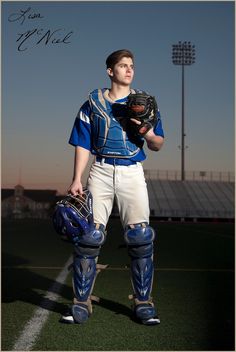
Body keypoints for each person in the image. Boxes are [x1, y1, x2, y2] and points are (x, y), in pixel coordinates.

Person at [61, 49, 164, 325]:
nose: (129, 70)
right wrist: (76, 179)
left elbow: (158, 144)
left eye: (131, 65)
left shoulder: (145, 104)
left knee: (141, 237)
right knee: (89, 236)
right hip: (101, 170)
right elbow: (83, 143)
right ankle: (81, 302)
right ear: (110, 71)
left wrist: (148, 132)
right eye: (122, 66)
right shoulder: (92, 104)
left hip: (132, 171)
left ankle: (143, 302)